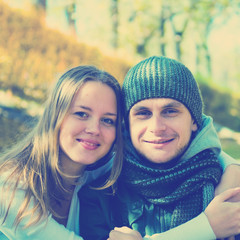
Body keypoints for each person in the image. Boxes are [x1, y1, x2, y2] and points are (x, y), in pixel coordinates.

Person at [79, 56, 240, 240]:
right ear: (127, 124)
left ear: (194, 120)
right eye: (143, 113)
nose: (157, 127)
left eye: (170, 111)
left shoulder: (228, 189)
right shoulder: (99, 197)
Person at [0, 65, 123, 239]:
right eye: (81, 114)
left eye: (108, 120)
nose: (95, 129)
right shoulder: (11, 186)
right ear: (55, 115)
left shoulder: (92, 176)